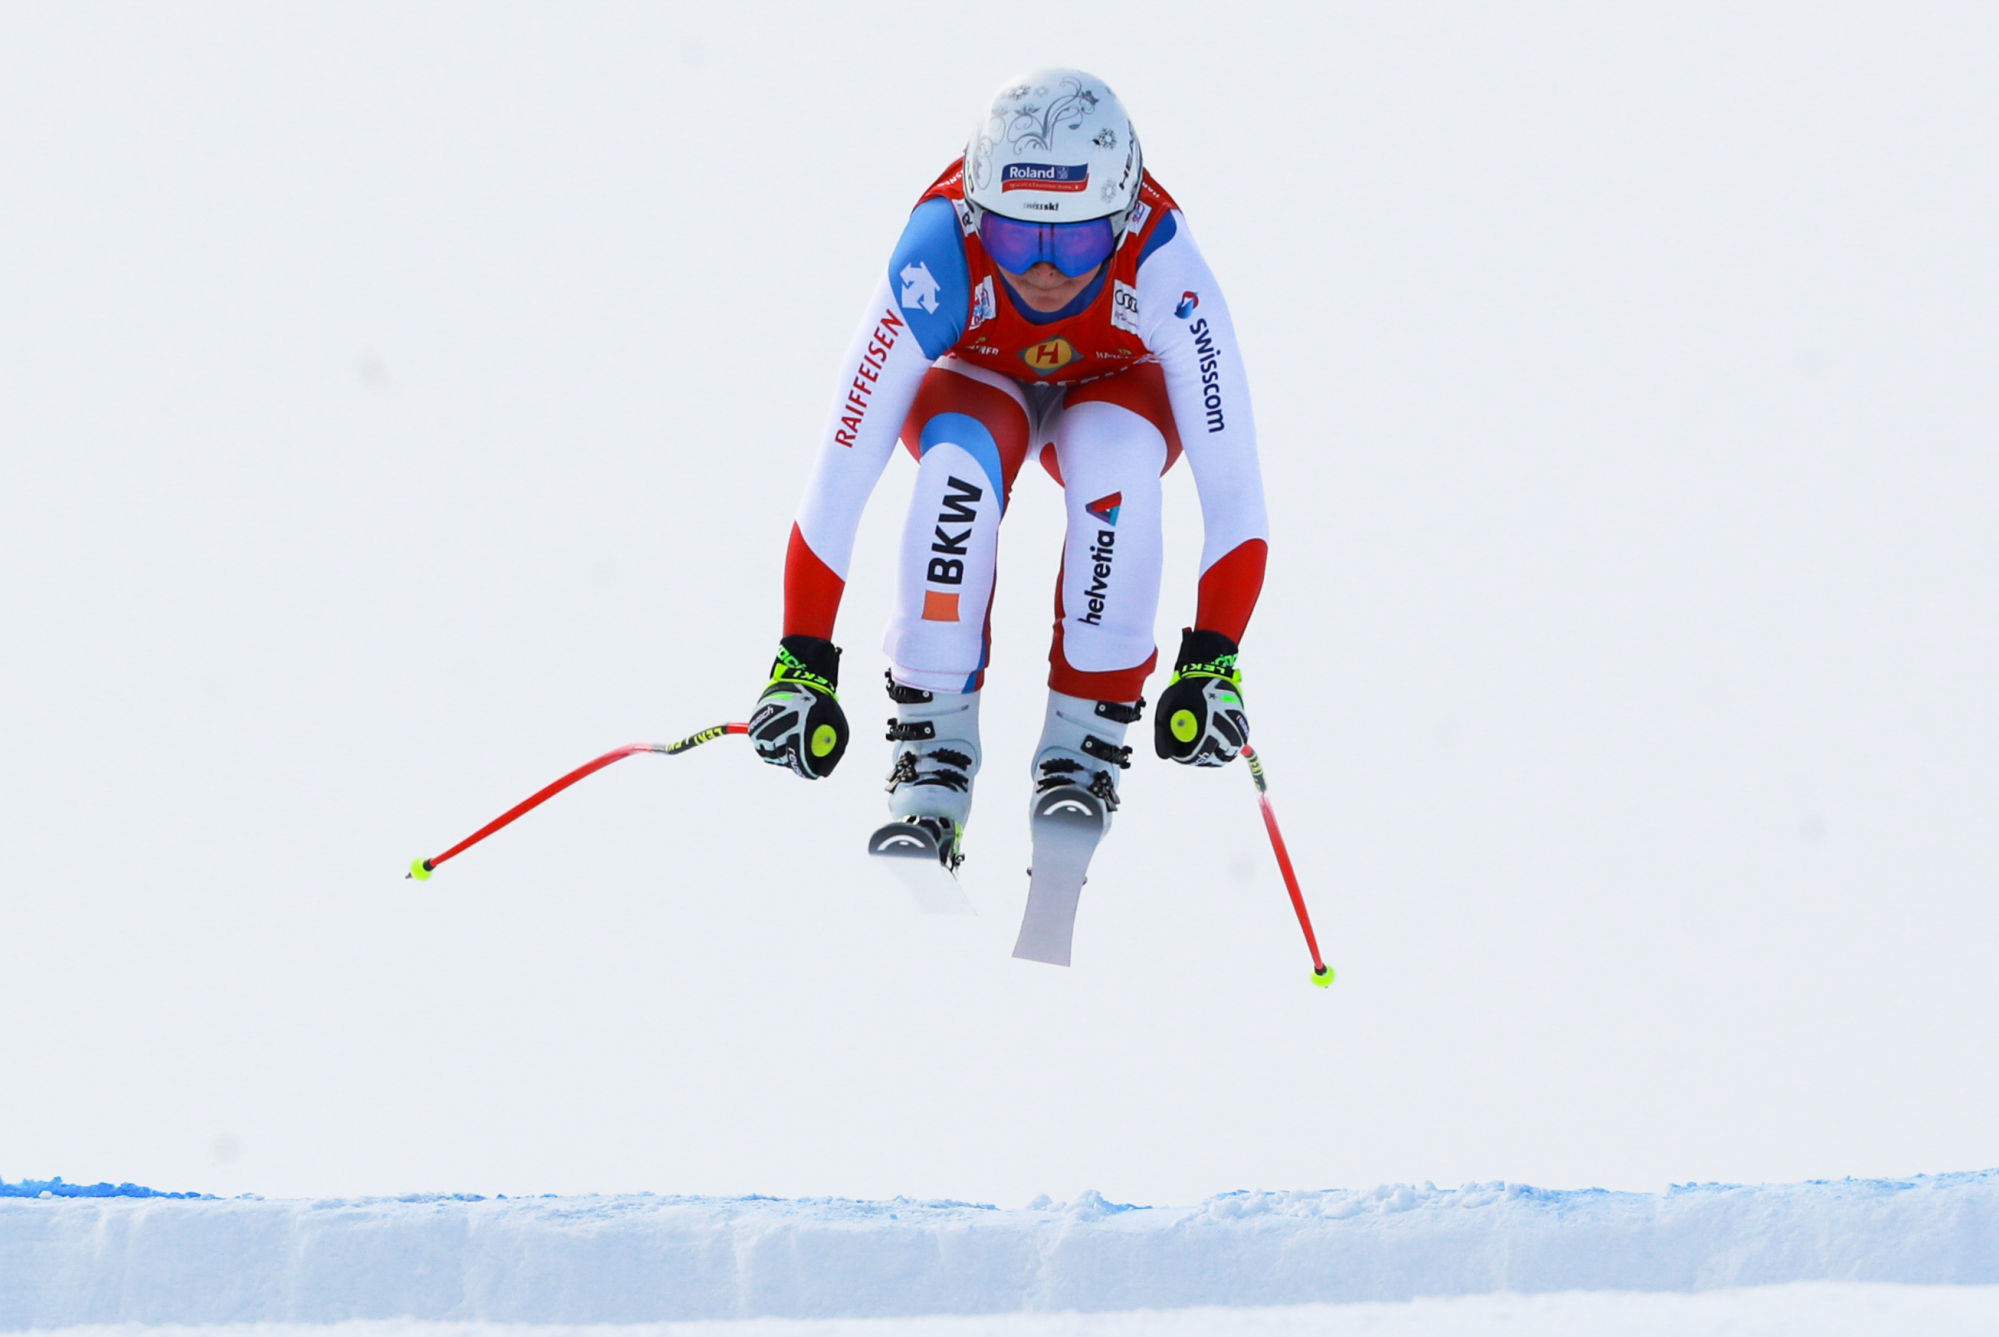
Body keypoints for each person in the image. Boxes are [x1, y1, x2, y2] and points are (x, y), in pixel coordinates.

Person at [746, 68, 1267, 943]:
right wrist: (801, 659)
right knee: (955, 467)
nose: (1043, 271)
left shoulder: (1163, 261)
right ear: (979, 213)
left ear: (1126, 216)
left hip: (1117, 381)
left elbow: (1235, 490)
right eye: (1019, 237)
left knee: (1120, 462)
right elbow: (841, 471)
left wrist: (1213, 657)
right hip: (977, 376)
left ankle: (1082, 747)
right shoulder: (937, 256)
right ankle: (929, 764)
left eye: (1073, 244)